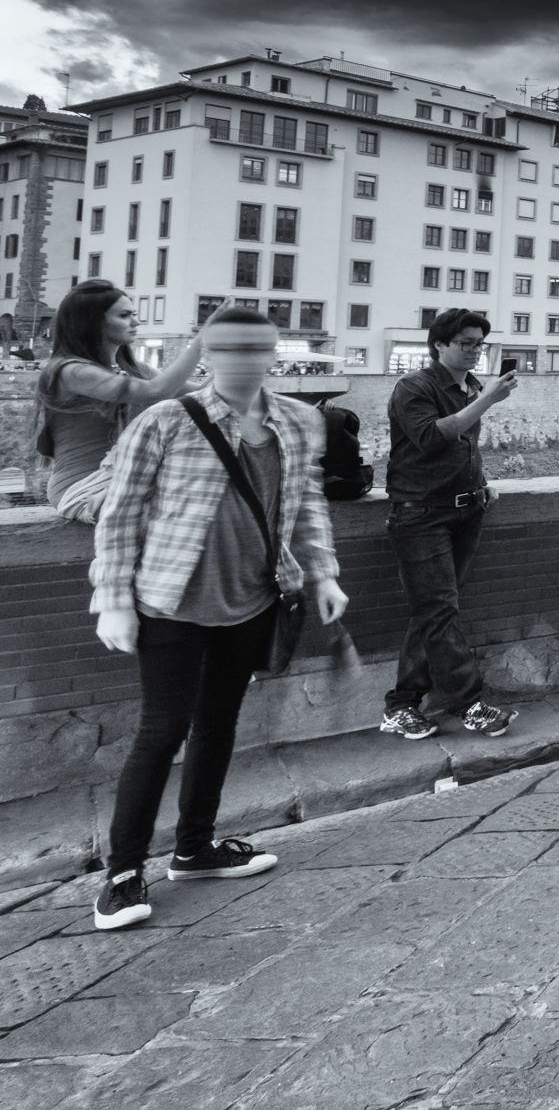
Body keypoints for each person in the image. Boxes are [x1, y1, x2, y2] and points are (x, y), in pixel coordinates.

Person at [86, 306, 350, 930]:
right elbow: (119, 517)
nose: (245, 360)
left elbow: (306, 505)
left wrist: (325, 573)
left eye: (257, 348)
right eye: (229, 348)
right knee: (162, 730)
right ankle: (122, 873)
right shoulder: (165, 421)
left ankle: (194, 848)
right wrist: (114, 600)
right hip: (171, 600)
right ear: (206, 354)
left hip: (252, 599)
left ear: (272, 354)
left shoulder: (297, 421)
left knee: (218, 723)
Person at [379, 310, 518, 741]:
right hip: (421, 513)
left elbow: (461, 448)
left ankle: (401, 706)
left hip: (465, 509)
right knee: (438, 611)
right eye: (467, 343)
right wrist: (487, 400)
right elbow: (431, 437)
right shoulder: (414, 387)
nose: (476, 351)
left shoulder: (470, 387)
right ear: (439, 345)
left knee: (435, 611)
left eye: (480, 343)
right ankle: (468, 704)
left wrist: (480, 482)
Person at [35, 278, 205, 521]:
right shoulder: (70, 371)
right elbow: (158, 391)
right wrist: (201, 342)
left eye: (133, 314)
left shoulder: (133, 369)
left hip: (125, 480)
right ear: (92, 323)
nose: (136, 321)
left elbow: (201, 395)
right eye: (124, 315)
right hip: (84, 488)